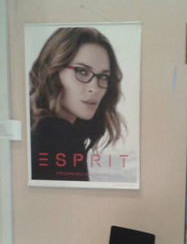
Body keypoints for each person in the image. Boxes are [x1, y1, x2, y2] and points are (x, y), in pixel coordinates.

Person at [29, 27, 125, 181]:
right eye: (82, 71)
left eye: (103, 77)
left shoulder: (38, 125)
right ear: (53, 71)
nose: (95, 88)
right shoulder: (56, 132)